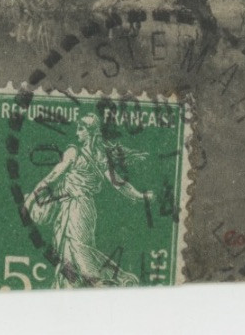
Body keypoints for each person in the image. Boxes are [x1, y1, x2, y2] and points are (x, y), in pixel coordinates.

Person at [23, 110, 151, 287]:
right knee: (68, 252)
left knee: (78, 248)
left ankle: (100, 281)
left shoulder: (82, 154)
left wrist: (139, 195)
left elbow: (52, 177)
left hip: (78, 209)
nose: (76, 133)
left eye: (80, 129)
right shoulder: (90, 155)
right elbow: (54, 176)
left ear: (90, 132)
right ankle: (70, 287)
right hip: (76, 208)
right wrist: (139, 195)